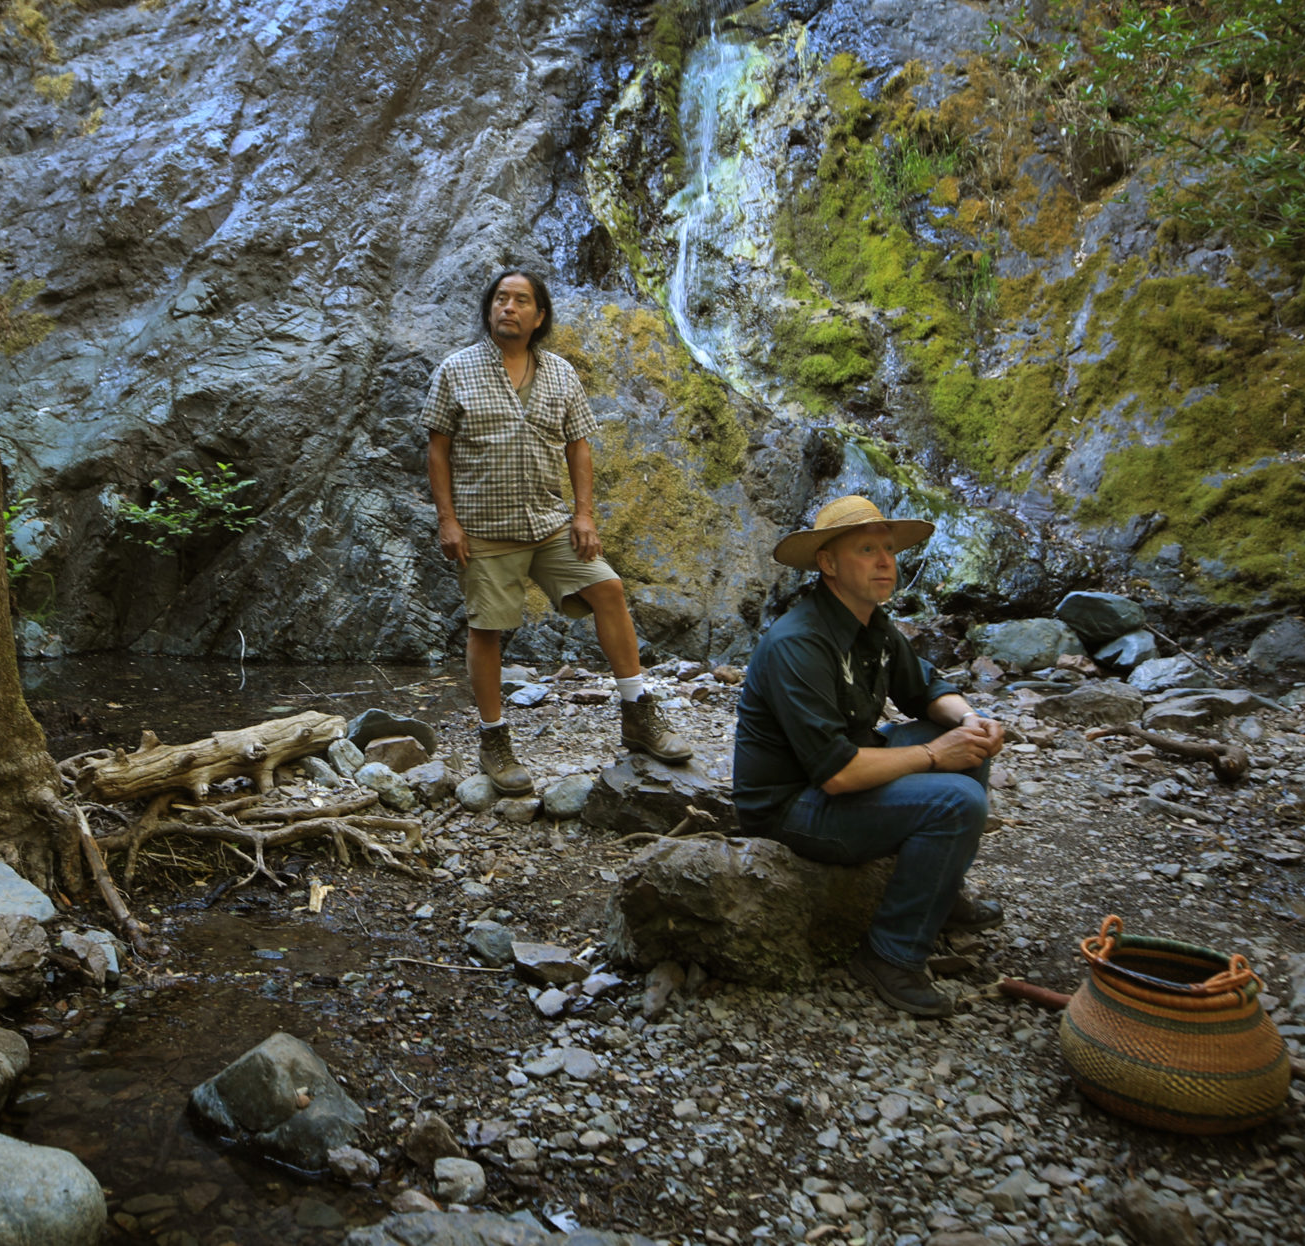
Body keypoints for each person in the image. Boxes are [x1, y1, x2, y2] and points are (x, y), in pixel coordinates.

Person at [733, 495, 1006, 1018]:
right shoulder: (799, 642)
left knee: (966, 750)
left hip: (843, 770)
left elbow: (924, 689)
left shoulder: (871, 623)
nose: (886, 561)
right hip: (791, 807)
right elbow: (836, 774)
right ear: (828, 564)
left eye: (888, 548)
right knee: (958, 800)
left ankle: (937, 897)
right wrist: (932, 754)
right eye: (867, 549)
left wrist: (969, 722)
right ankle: (890, 955)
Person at [421, 267, 692, 795]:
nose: (508, 308)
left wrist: (584, 514)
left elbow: (579, 446)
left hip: (549, 523)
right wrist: (447, 520)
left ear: (539, 315)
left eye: (521, 300)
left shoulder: (561, 374)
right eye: (501, 299)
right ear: (489, 309)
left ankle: (637, 713)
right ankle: (494, 739)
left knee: (608, 588)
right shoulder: (456, 370)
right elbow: (438, 448)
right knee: (486, 629)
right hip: (485, 529)